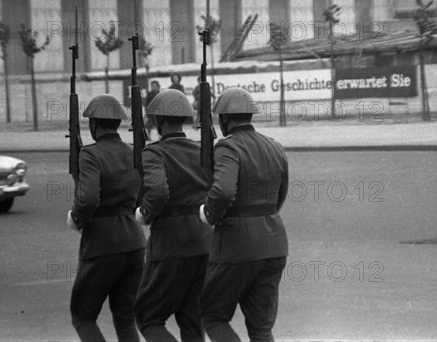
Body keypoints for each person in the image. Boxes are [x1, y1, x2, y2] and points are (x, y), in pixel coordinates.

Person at [198, 88, 289, 342]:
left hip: (237, 245)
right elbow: (279, 195)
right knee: (261, 328)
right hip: (274, 242)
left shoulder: (227, 147)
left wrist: (209, 214)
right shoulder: (275, 146)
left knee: (214, 317)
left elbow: (224, 191)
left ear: (225, 119)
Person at [67, 94, 146, 342]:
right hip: (134, 242)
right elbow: (141, 194)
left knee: (83, 316)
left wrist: (76, 218)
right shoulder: (133, 152)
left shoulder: (90, 155)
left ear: (93, 125)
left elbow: (89, 198)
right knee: (124, 316)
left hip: (102, 244)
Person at [134, 89, 210, 342]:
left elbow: (157, 193)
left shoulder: (154, 152)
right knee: (192, 319)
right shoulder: (201, 149)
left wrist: (144, 214)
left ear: (158, 121)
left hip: (170, 244)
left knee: (148, 317)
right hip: (204, 242)